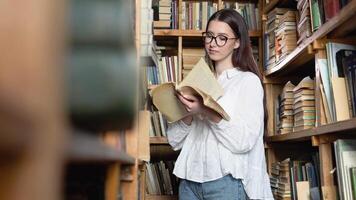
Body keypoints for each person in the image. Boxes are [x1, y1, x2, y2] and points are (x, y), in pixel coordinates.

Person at [166, 9, 274, 200]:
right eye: (209, 36)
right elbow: (174, 141)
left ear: (237, 42)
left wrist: (206, 111)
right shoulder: (197, 81)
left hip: (225, 182)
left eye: (222, 38)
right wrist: (189, 112)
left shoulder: (247, 81)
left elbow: (244, 141)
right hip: (188, 181)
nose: (213, 43)